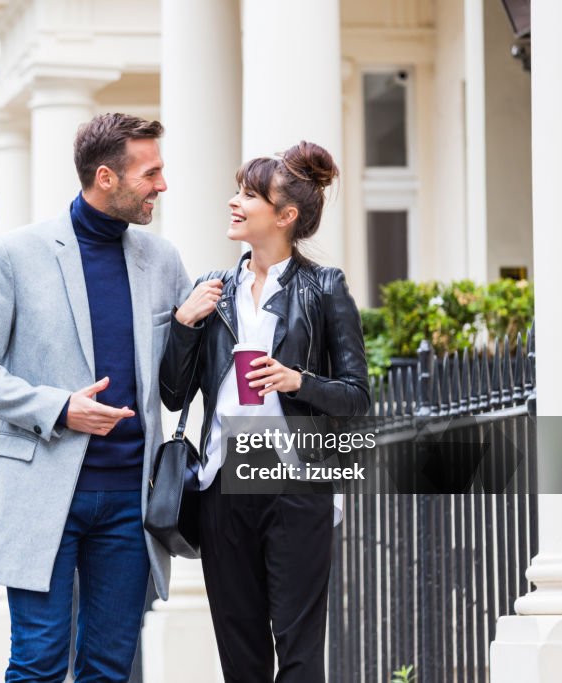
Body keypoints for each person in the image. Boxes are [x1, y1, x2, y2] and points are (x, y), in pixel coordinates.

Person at [0, 113, 190, 683]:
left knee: (109, 669)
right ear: (106, 177)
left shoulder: (163, 261)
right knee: (37, 662)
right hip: (42, 492)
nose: (161, 185)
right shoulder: (15, 254)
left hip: (132, 500)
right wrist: (59, 408)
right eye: (150, 172)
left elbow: (179, 380)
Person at [160, 141, 370, 682]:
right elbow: (173, 394)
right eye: (237, 190)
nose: (234, 202)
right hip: (221, 482)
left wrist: (297, 380)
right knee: (241, 653)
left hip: (296, 481)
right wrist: (184, 325)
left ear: (285, 216)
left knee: (299, 652)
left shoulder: (325, 288)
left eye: (249, 194)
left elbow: (357, 396)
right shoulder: (213, 291)